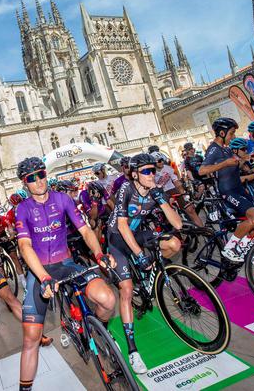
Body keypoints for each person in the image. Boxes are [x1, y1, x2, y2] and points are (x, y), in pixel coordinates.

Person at [15, 157, 116, 391]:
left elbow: (85, 230)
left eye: (41, 174)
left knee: (108, 299)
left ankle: (96, 330)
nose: (39, 181)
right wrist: (43, 278)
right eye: (32, 178)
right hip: (40, 272)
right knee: (31, 338)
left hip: (66, 263)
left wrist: (99, 254)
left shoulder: (63, 199)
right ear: (25, 183)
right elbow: (25, 247)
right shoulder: (23, 209)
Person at [106, 153, 183, 374]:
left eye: (154, 170)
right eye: (147, 171)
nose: (152, 174)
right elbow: (122, 227)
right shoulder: (126, 189)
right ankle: (132, 351)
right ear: (135, 174)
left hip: (138, 232)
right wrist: (139, 254)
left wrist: (162, 200)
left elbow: (176, 224)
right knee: (127, 290)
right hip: (118, 239)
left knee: (174, 244)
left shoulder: (155, 190)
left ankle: (152, 276)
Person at [199, 118, 254, 280]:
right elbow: (202, 171)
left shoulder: (226, 149)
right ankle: (230, 249)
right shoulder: (214, 149)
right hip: (228, 192)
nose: (233, 136)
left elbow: (235, 167)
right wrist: (224, 163)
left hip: (240, 190)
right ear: (222, 133)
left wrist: (244, 160)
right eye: (231, 133)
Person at [153, 152, 204, 228]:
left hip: (172, 189)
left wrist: (184, 195)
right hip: (162, 193)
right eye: (159, 161)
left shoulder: (167, 168)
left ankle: (203, 230)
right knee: (170, 216)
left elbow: (176, 181)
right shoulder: (151, 173)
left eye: (162, 160)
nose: (162, 162)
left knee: (190, 210)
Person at [0, 211, 26, 290]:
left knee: (14, 256)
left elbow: (11, 231)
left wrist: (10, 237)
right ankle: (2, 276)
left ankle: (23, 280)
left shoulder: (5, 219)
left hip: (3, 236)